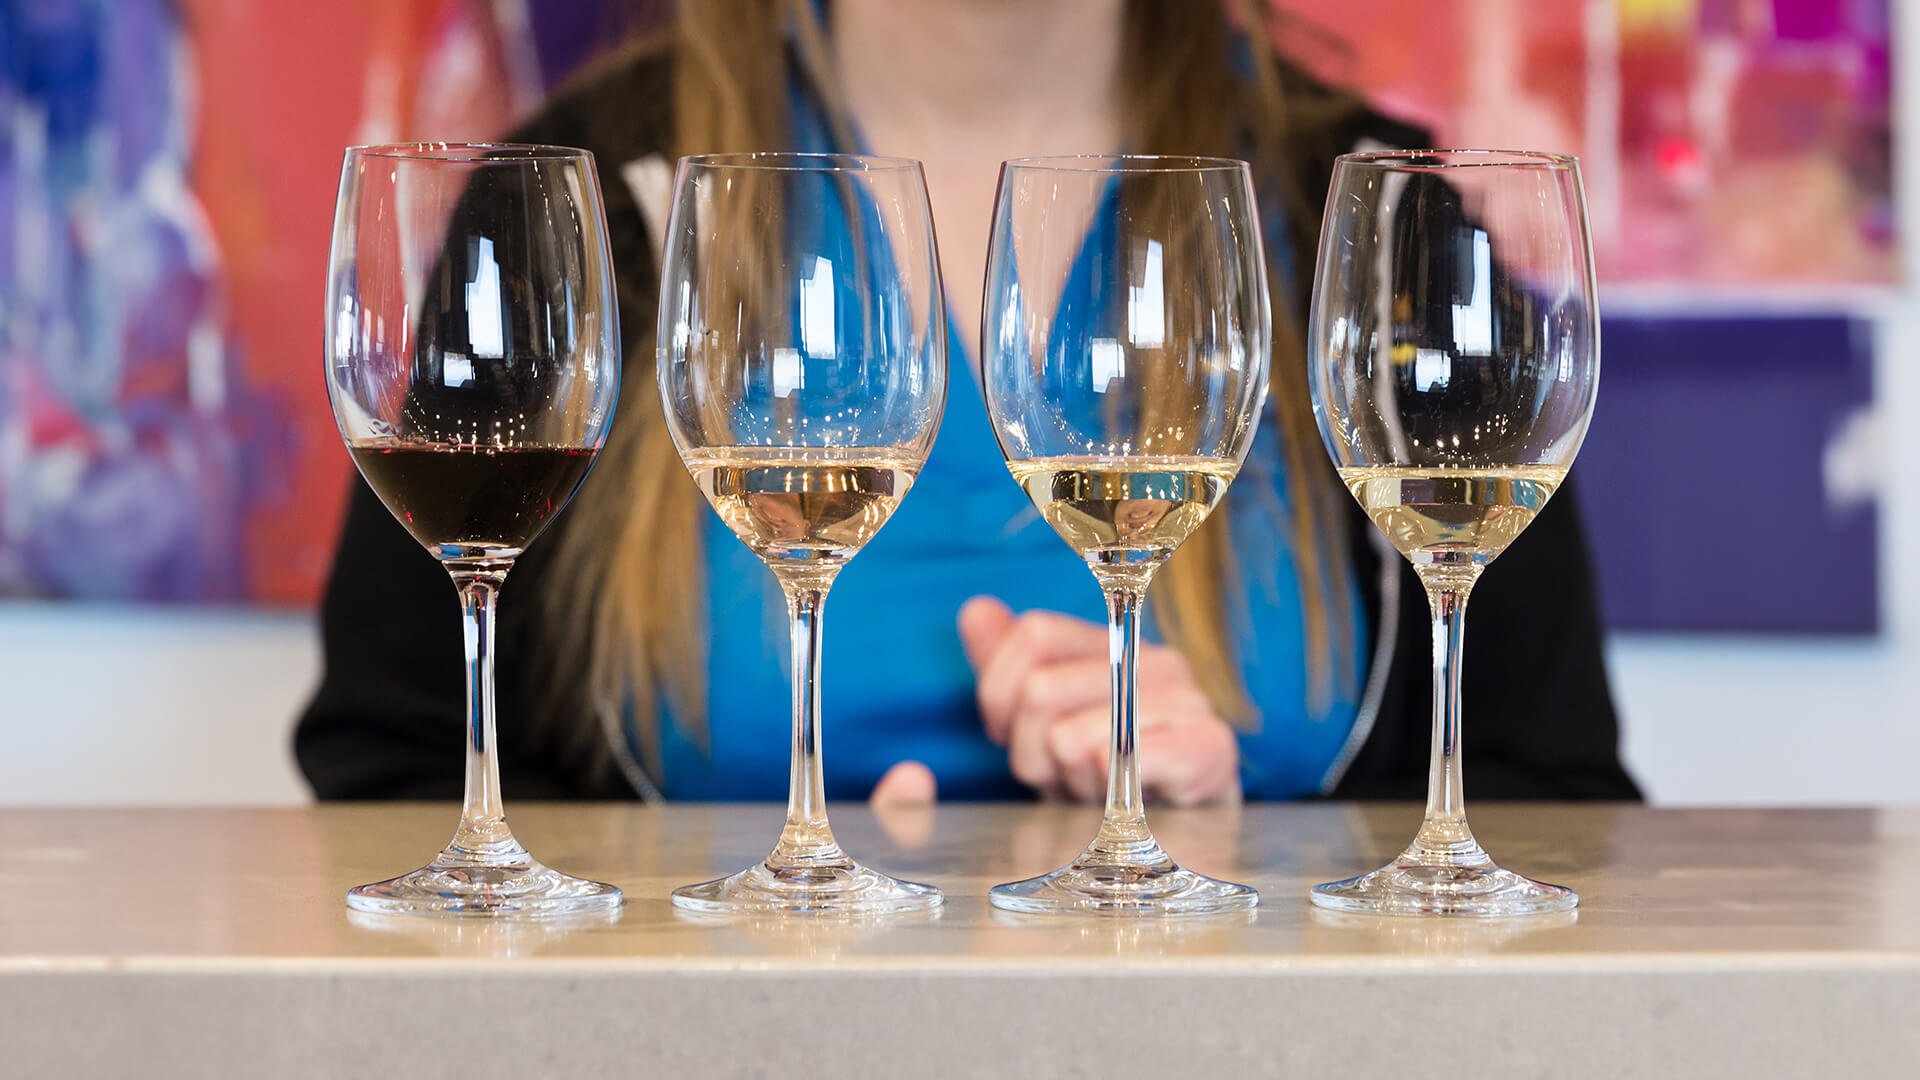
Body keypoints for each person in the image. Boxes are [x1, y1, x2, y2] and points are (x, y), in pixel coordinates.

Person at [297, 0, 1639, 807]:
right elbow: (393, 766)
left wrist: (1248, 873)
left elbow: (1557, 807)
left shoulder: (1381, 216)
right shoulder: (580, 197)